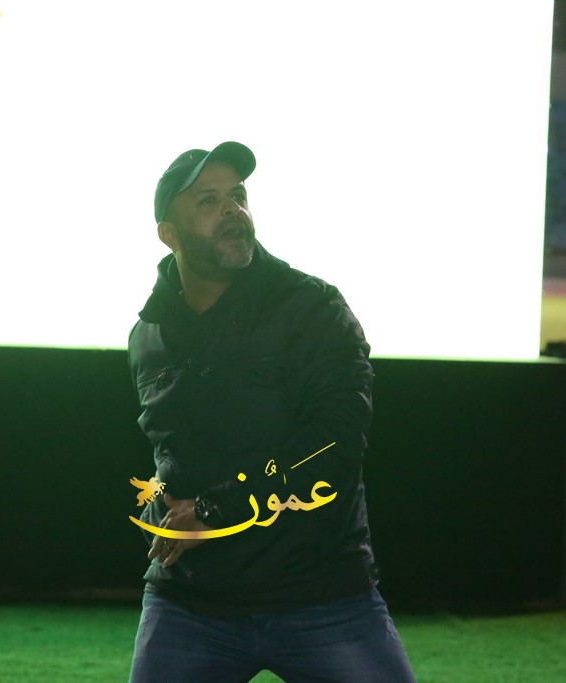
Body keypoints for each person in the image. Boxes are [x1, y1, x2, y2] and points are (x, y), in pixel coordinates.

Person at [127, 141, 416, 682]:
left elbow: (333, 443)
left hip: (321, 597)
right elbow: (170, 452)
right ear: (169, 233)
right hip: (191, 603)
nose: (232, 210)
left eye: (237, 196)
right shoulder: (148, 335)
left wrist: (213, 510)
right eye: (208, 201)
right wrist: (162, 514)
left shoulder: (312, 308)